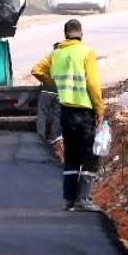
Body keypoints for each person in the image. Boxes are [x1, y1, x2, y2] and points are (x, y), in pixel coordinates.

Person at [30, 19, 104, 212]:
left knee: (71, 155)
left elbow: (36, 70)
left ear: (65, 34)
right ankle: (84, 199)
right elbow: (93, 84)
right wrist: (99, 108)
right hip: (84, 111)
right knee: (89, 154)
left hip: (66, 111)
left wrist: (54, 83)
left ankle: (69, 200)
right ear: (81, 33)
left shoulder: (56, 54)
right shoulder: (86, 52)